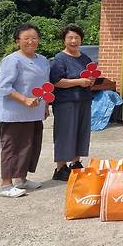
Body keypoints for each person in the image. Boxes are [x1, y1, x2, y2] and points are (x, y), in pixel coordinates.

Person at [0, 23, 50, 197]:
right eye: (26, 38)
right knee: (12, 147)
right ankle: (6, 185)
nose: (31, 42)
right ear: (17, 41)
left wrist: (45, 106)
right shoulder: (12, 60)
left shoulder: (42, 60)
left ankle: (21, 179)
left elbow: (45, 86)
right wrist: (24, 99)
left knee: (30, 146)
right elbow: (4, 87)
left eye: (34, 38)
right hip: (14, 113)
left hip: (34, 111)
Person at [49, 24, 94, 181]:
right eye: (70, 38)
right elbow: (56, 81)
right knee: (64, 133)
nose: (74, 41)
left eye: (77, 37)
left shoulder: (85, 58)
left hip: (84, 100)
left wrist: (90, 81)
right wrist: (79, 81)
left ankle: (76, 163)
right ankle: (61, 168)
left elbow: (90, 77)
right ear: (64, 40)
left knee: (81, 132)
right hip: (65, 102)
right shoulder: (59, 59)